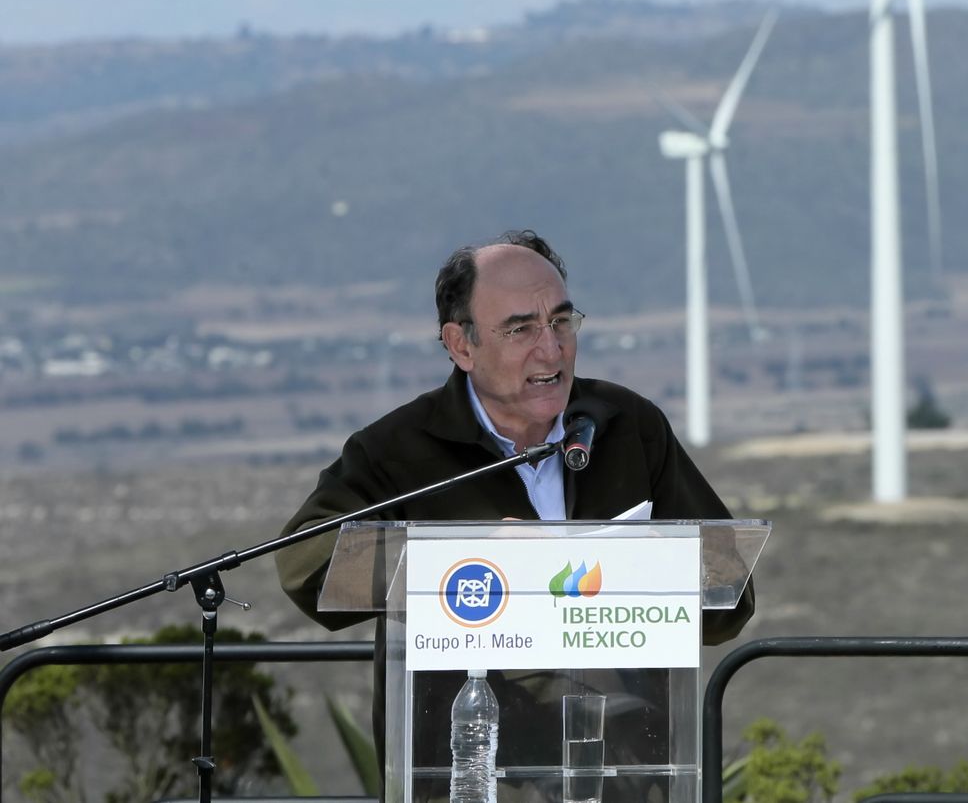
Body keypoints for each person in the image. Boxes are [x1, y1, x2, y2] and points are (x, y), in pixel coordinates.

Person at [275, 229, 755, 795]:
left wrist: (641, 568)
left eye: (561, 322)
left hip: (623, 772)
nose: (550, 349)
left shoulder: (626, 427)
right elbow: (303, 561)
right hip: (469, 778)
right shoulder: (398, 450)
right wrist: (461, 559)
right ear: (461, 345)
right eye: (521, 328)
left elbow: (730, 597)